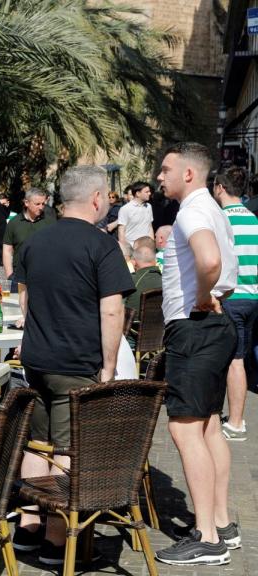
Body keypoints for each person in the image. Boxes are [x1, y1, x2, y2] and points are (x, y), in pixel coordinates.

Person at [13, 165, 134, 564]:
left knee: (37, 442)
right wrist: (110, 367)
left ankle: (28, 527)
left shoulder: (34, 240)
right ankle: (55, 541)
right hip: (75, 362)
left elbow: (26, 302)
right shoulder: (101, 245)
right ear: (97, 198)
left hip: (37, 358)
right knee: (66, 450)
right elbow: (112, 311)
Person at [154, 142, 239, 565]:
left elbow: (210, 261)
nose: (159, 176)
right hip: (212, 329)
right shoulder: (212, 209)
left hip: (196, 327)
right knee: (207, 427)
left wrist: (203, 296)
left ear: (188, 173)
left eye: (166, 169)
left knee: (186, 430)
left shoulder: (191, 212)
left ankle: (206, 536)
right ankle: (221, 524)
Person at [212, 167, 258, 441]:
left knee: (234, 361)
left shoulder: (220, 221)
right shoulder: (254, 219)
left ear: (219, 187)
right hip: (253, 297)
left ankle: (237, 422)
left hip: (232, 298)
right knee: (236, 358)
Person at [3, 188, 55, 284]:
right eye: (37, 204)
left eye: (43, 204)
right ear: (26, 203)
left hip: (44, 276)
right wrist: (9, 275)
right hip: (18, 276)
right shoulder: (14, 222)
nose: (41, 207)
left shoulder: (50, 222)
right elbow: (7, 250)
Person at [126, 243, 162, 315]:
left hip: (133, 324)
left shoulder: (129, 281)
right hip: (164, 324)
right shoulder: (167, 281)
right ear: (155, 261)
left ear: (134, 262)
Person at [117, 181, 155, 245]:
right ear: (138, 193)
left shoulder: (149, 206)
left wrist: (152, 243)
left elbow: (150, 226)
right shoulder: (125, 209)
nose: (149, 193)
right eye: (146, 192)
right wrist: (125, 248)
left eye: (149, 191)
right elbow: (121, 230)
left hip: (146, 246)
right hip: (131, 246)